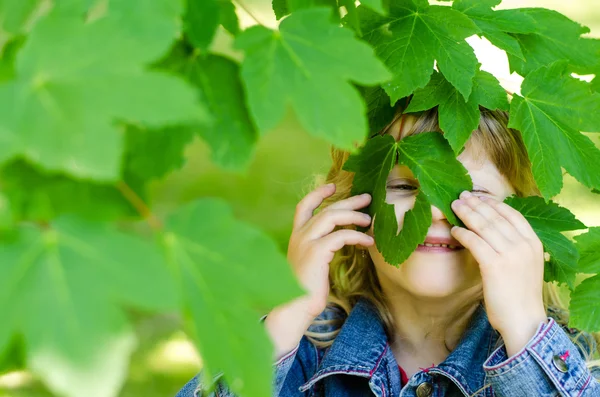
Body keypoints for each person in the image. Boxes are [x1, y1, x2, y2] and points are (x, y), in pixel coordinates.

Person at [176, 106, 600, 396]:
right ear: (352, 207)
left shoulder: (577, 358)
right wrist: (288, 314)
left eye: (469, 194)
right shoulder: (304, 351)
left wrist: (525, 331)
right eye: (403, 186)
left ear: (523, 222)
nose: (434, 211)